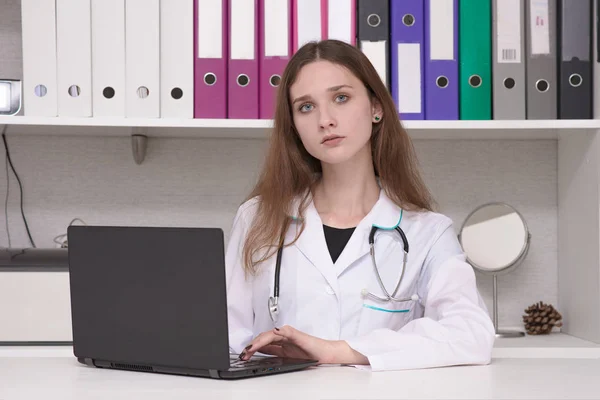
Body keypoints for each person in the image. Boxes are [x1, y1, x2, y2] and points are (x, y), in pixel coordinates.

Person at [225, 39, 495, 371]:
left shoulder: (427, 232)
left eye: (341, 98)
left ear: (376, 107)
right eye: (306, 107)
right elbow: (226, 338)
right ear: (294, 126)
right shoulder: (257, 218)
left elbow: (472, 333)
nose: (325, 120)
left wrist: (336, 350)